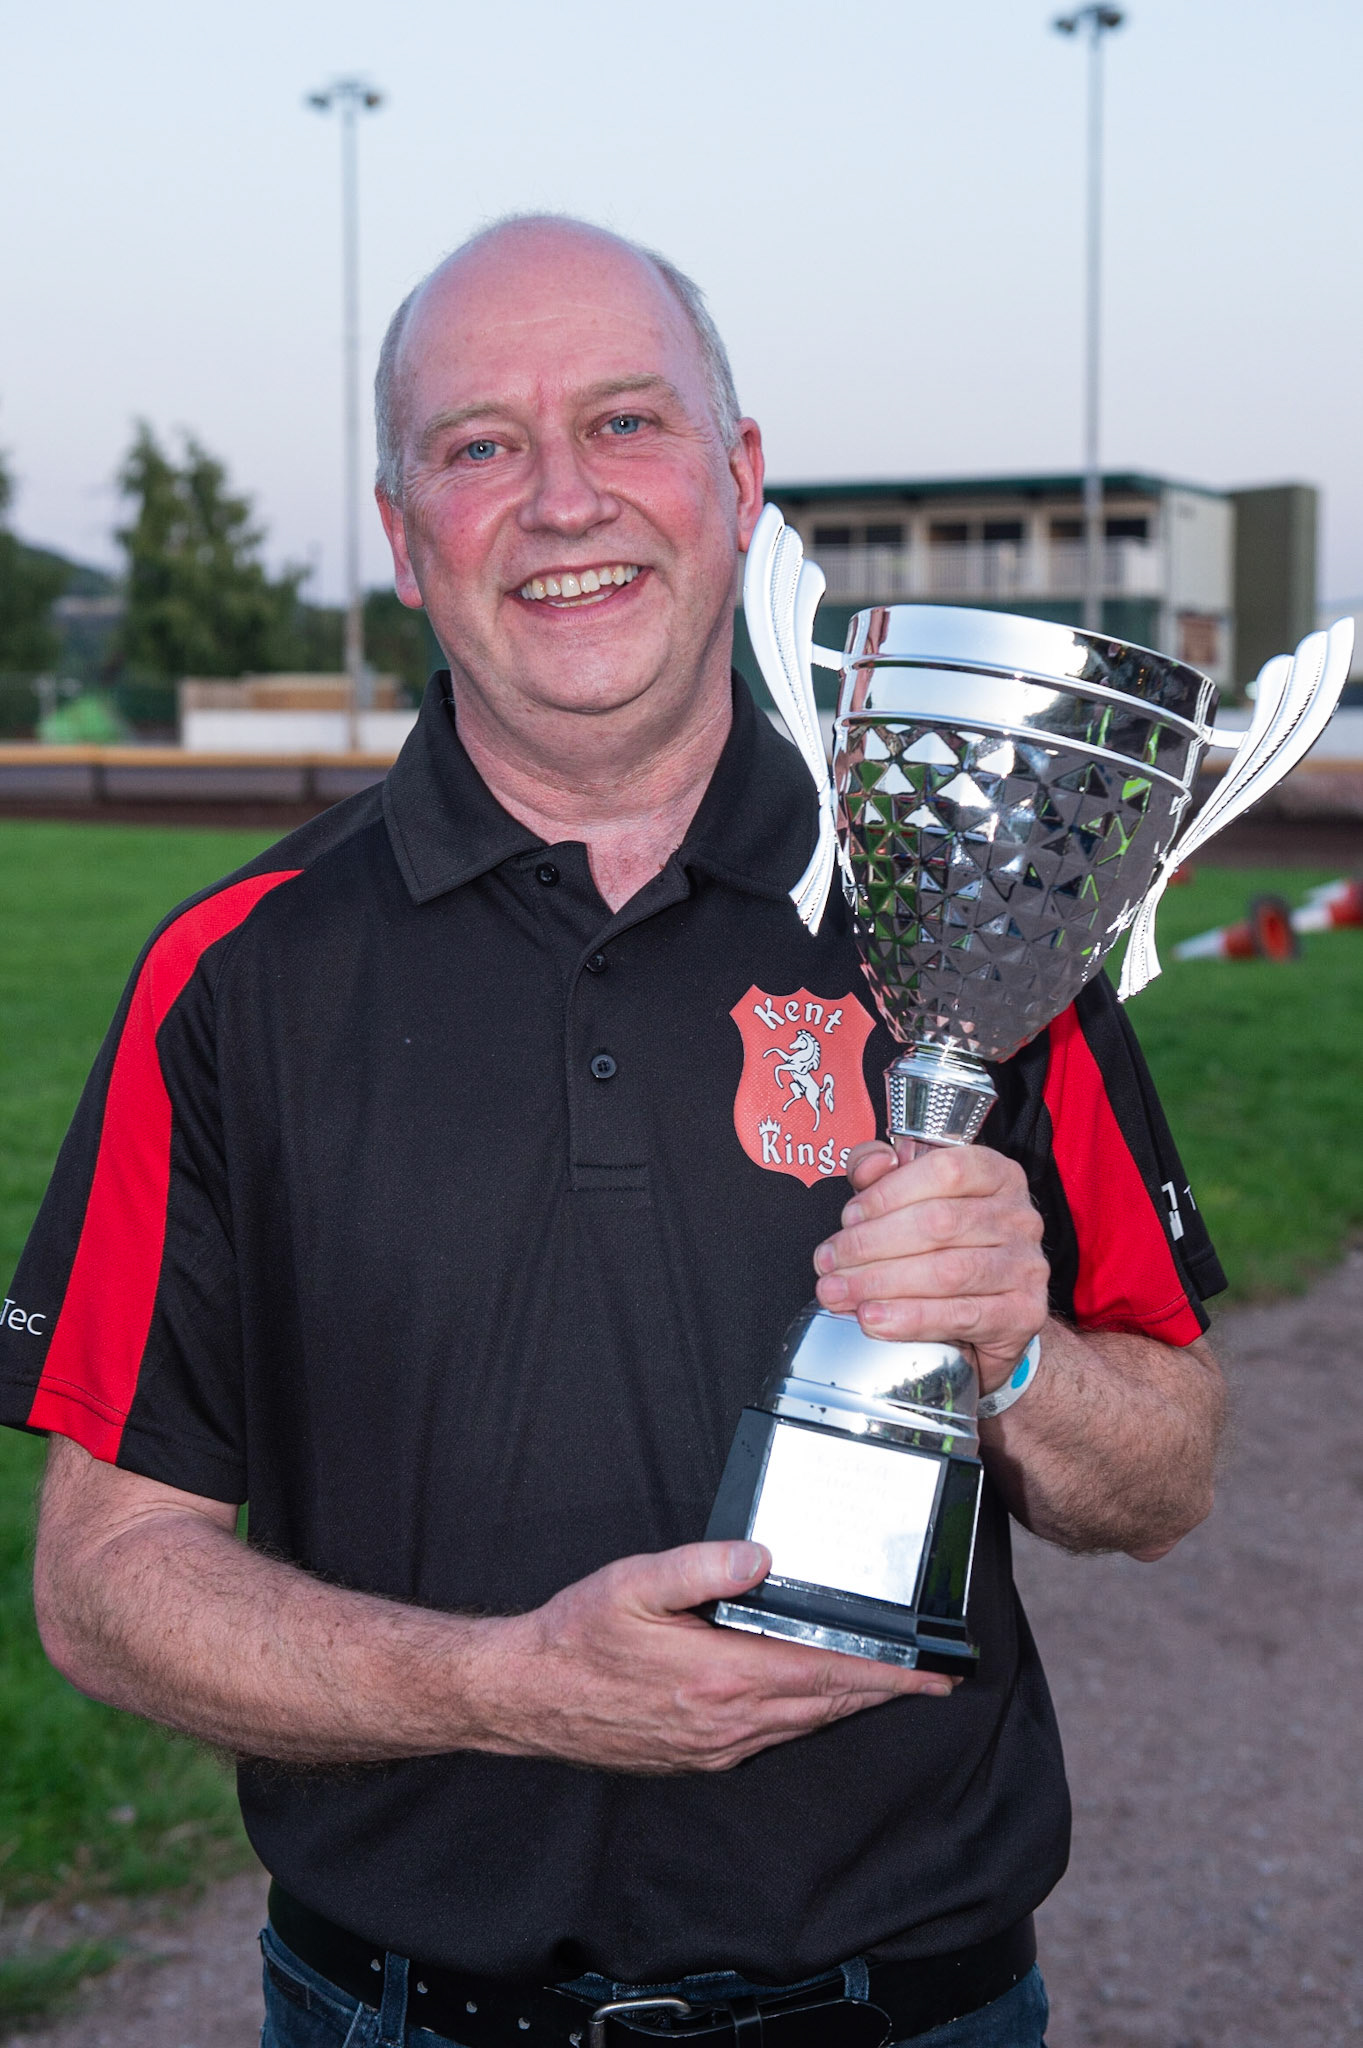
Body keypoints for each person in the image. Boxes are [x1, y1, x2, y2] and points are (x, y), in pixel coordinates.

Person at [0, 217, 1226, 2048]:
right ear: (409, 539)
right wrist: (505, 1686)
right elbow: (102, 1584)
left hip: (917, 2007)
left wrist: (1015, 1353)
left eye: (629, 423)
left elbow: (1170, 1471)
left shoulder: (980, 909)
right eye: (480, 446)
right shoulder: (229, 981)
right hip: (401, 2014)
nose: (565, 501)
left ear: (739, 484)